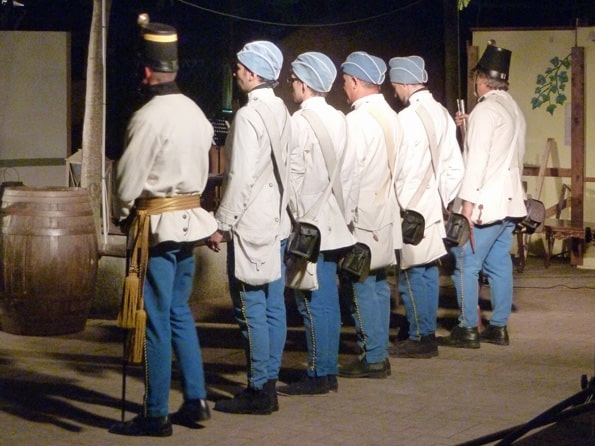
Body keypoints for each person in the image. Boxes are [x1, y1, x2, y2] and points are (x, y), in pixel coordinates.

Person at [109, 19, 217, 437]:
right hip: (189, 223)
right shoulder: (195, 113)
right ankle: (196, 399)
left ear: (146, 70)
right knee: (178, 312)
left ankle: (156, 413)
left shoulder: (148, 117)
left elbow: (127, 182)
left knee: (154, 317)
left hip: (156, 226)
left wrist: (122, 214)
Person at [206, 40, 291, 414]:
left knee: (250, 307)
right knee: (273, 306)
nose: (236, 72)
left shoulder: (248, 116)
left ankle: (259, 389)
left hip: (251, 225)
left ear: (254, 73)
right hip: (278, 223)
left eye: (240, 67)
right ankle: (268, 383)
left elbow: (239, 177)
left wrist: (222, 224)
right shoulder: (281, 110)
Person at [277, 52, 356, 396]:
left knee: (309, 300)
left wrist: (298, 218)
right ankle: (328, 369)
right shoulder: (340, 118)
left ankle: (318, 373)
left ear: (305, 84)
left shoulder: (298, 122)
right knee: (328, 300)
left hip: (310, 225)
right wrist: (346, 215)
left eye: (293, 80)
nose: (291, 85)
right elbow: (351, 174)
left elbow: (292, 176)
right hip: (337, 223)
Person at [439, 43, 527, 349]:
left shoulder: (485, 110)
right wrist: (471, 126)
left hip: (484, 204)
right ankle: (499, 327)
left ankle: (467, 328)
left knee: (465, 262)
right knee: (499, 264)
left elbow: (477, 162)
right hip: (510, 202)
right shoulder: (512, 108)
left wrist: (466, 208)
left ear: (480, 80)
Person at [387, 56, 465, 359]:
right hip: (434, 208)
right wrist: (442, 200)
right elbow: (454, 167)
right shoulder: (443, 113)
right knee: (429, 271)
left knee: (410, 274)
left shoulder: (406, 119)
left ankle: (420, 337)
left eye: (395, 85)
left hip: (410, 209)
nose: (394, 91)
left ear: (405, 83)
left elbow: (398, 170)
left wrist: (399, 204)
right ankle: (424, 330)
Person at [337, 51, 403, 379]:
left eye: (345, 82)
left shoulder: (357, 121)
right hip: (385, 212)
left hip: (362, 216)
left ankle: (373, 356)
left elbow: (348, 176)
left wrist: (342, 219)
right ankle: (380, 350)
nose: (343, 88)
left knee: (358, 283)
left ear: (354, 81)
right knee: (378, 283)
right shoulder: (391, 115)